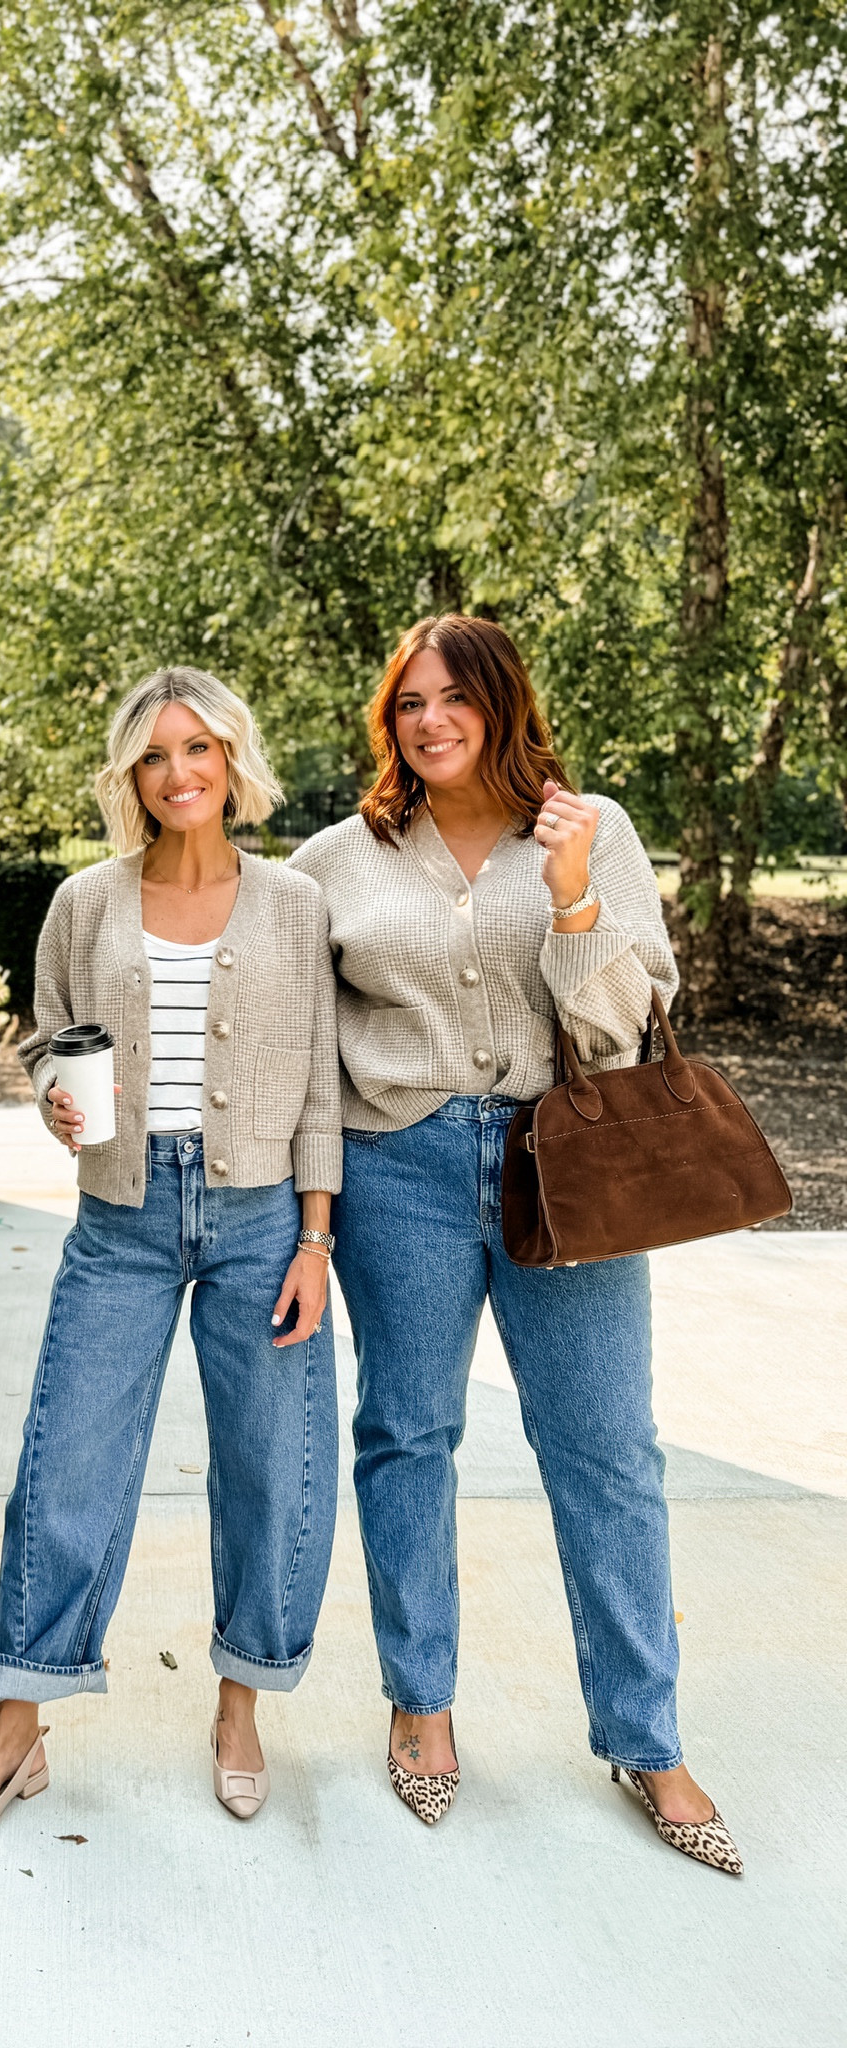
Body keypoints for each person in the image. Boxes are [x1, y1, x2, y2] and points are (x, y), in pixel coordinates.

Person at [288, 614, 742, 1876]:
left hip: (571, 1163)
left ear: (502, 703)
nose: (428, 721)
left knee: (606, 1449)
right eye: (407, 705)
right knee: (408, 1433)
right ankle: (421, 1701)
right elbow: (301, 1047)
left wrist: (572, 894)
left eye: (452, 699)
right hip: (401, 1169)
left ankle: (644, 1736)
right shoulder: (338, 857)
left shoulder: (591, 827)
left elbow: (620, 1027)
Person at [0, 666, 342, 1847]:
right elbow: (60, 1045)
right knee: (68, 1465)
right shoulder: (84, 903)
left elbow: (320, 1080)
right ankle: (16, 1732)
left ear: (232, 761)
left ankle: (240, 1702)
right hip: (121, 1216)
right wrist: (62, 1110)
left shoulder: (294, 903)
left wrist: (317, 1235)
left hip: (264, 1215)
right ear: (132, 775)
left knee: (271, 1465)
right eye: (156, 755)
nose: (180, 774)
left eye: (199, 749)